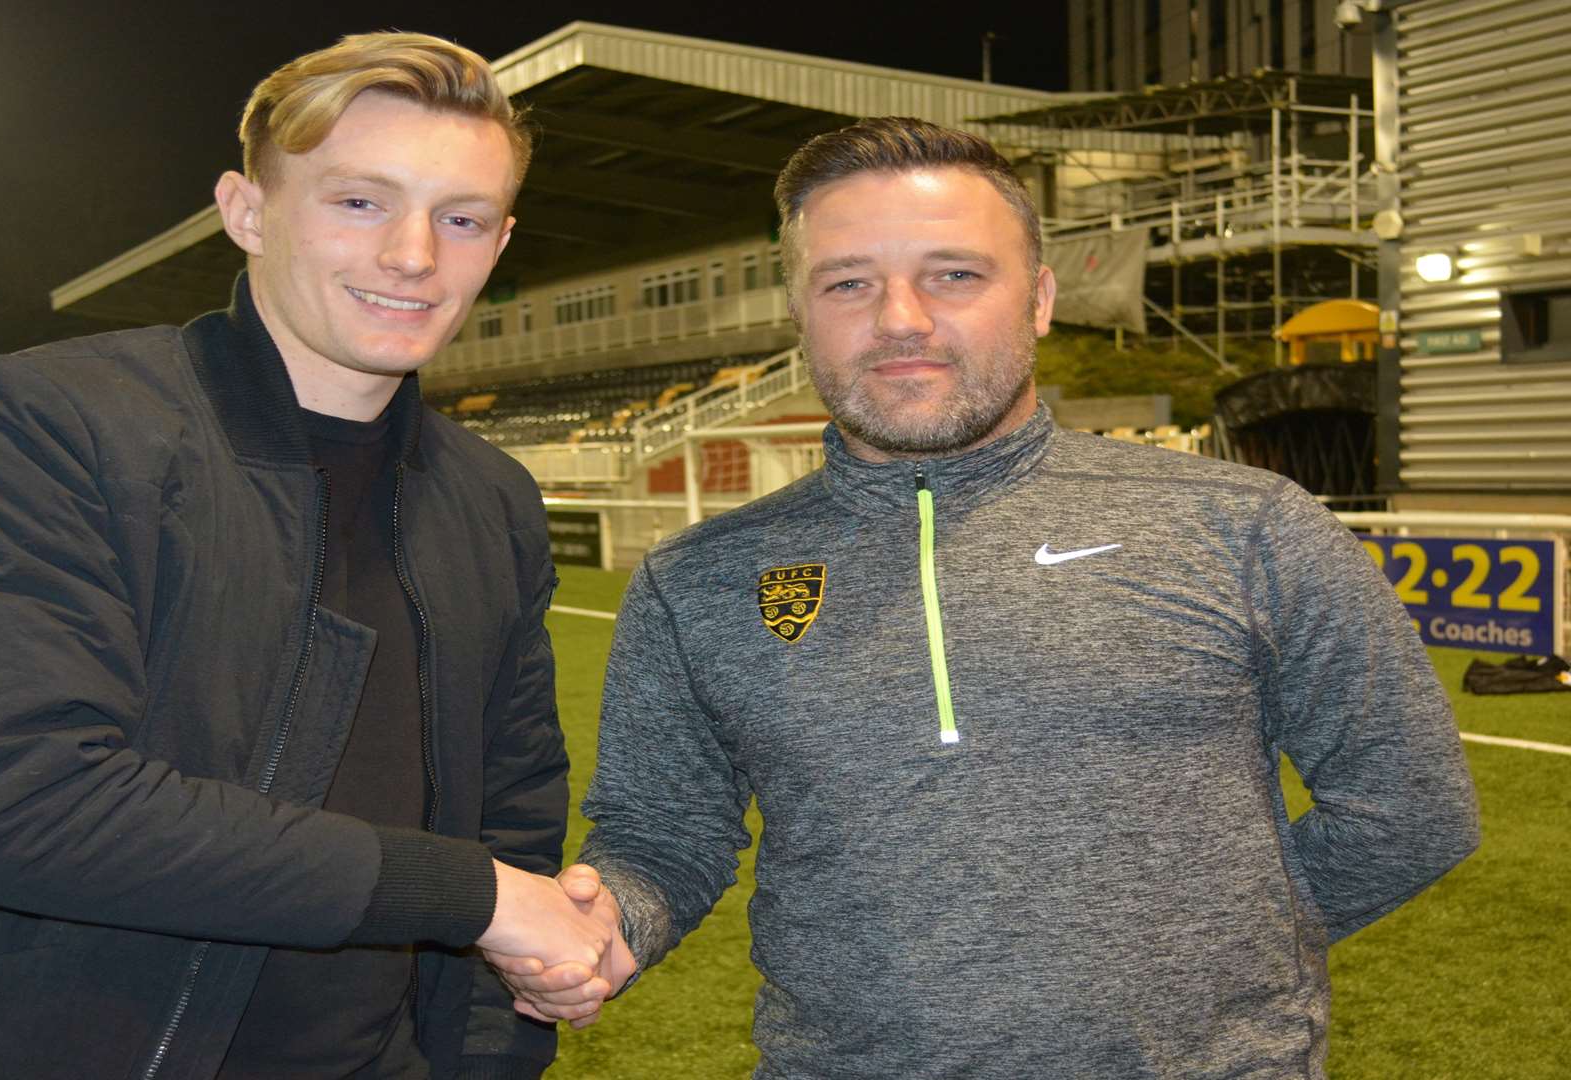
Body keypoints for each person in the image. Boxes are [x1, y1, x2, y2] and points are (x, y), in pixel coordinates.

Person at [495, 117, 1480, 1077]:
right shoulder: (698, 577)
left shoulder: (1246, 522)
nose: (901, 321)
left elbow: (1410, 806)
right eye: (848, 283)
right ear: (799, 312)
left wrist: (1225, 956)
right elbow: (663, 831)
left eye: (954, 274)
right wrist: (611, 920)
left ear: (1041, 298)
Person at [0, 33, 619, 1080]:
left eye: (459, 219)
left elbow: (513, 808)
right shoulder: (51, 420)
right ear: (247, 212)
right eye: (360, 202)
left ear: (498, 243)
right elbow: (17, 800)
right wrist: (475, 897)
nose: (414, 255)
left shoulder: (492, 498)